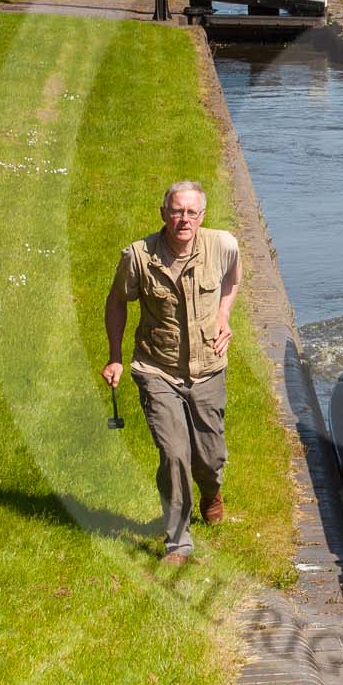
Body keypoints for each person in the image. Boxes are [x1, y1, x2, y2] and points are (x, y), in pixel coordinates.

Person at [102, 182, 240, 565]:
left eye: (192, 212)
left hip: (208, 369)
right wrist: (115, 356)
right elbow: (116, 302)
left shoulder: (223, 245)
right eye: (177, 211)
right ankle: (178, 541)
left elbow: (232, 280)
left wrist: (223, 317)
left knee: (209, 458)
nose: (184, 219)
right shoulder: (138, 257)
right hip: (157, 369)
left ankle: (211, 492)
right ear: (163, 213)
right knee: (174, 453)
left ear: (202, 217)